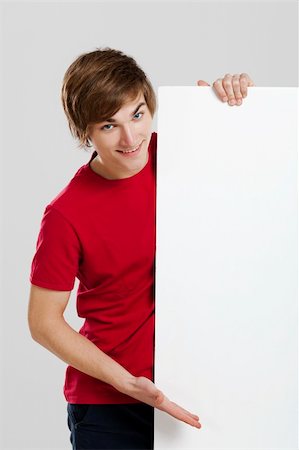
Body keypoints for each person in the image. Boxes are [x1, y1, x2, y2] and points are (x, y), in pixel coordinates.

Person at [28, 47, 255, 450]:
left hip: (197, 390)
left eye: (137, 114)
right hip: (109, 404)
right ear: (86, 133)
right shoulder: (65, 213)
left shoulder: (184, 157)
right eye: (108, 125)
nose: (131, 138)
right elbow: (43, 323)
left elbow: (258, 179)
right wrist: (125, 381)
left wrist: (226, 113)